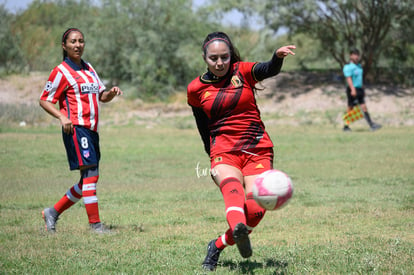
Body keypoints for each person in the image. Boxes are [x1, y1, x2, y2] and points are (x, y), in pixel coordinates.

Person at [187, 31, 296, 271]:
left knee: (256, 209)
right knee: (233, 192)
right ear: (204, 57)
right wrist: (212, 156)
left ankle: (217, 245)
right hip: (223, 150)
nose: (219, 63)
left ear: (230, 55)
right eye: (213, 58)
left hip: (257, 148)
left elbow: (268, 69)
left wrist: (277, 57)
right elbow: (202, 125)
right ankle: (236, 231)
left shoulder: (243, 71)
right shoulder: (195, 89)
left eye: (224, 57)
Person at [39, 28, 123, 234]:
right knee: (91, 176)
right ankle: (95, 225)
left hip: (92, 130)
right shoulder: (60, 72)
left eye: (81, 41)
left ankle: (53, 212)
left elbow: (101, 96)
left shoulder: (89, 68)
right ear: (64, 46)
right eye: (73, 41)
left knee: (87, 179)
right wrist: (62, 116)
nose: (78, 45)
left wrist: (111, 93)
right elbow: (44, 99)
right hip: (76, 129)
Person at [342, 48, 381, 132]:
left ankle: (372, 125)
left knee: (364, 107)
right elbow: (348, 79)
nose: (356, 56)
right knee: (350, 108)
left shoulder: (359, 66)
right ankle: (346, 126)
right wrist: (352, 89)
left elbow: (359, 78)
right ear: (351, 55)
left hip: (359, 89)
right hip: (352, 89)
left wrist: (362, 88)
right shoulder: (348, 67)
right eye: (355, 54)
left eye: (357, 54)